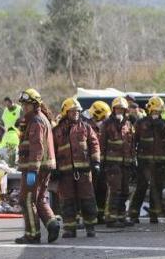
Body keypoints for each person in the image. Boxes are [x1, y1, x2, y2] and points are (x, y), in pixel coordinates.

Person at [15, 88, 60, 244]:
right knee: (39, 199)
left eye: (27, 104)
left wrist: (32, 170)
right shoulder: (39, 119)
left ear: (35, 105)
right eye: (23, 105)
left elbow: (37, 147)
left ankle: (32, 234)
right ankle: (52, 224)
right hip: (43, 167)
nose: (24, 107)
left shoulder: (36, 121)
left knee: (26, 200)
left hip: (35, 168)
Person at [53, 98, 101, 238]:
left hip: (84, 171)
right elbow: (52, 150)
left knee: (87, 199)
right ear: (65, 112)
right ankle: (69, 228)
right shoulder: (57, 131)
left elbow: (94, 144)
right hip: (65, 172)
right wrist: (53, 168)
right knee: (67, 201)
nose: (75, 114)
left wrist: (96, 162)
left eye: (78, 111)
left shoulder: (86, 127)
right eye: (72, 111)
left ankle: (90, 227)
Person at [129, 96, 165, 224]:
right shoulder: (140, 123)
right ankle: (133, 214)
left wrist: (163, 127)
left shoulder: (164, 124)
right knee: (141, 188)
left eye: (158, 112)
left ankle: (154, 215)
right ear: (149, 110)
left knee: (156, 189)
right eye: (154, 112)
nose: (156, 114)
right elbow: (133, 141)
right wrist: (133, 159)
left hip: (159, 162)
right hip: (144, 162)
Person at [100, 97, 135, 228]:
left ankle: (121, 216)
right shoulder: (107, 124)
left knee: (125, 191)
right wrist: (101, 162)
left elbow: (131, 144)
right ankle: (111, 217)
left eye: (122, 109)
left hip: (126, 164)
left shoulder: (128, 124)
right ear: (113, 110)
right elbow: (102, 144)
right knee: (115, 190)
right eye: (117, 108)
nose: (120, 111)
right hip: (112, 164)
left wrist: (133, 160)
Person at [85, 100, 111, 224]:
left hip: (102, 163)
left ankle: (100, 215)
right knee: (90, 191)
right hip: (90, 163)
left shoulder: (103, 127)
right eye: (104, 117)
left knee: (102, 189)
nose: (105, 120)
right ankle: (90, 217)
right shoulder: (87, 126)